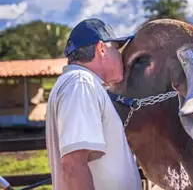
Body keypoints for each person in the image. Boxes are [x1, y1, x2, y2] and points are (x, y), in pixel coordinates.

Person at [45, 18, 142, 190]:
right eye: (117, 48)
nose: (121, 56)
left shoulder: (77, 84)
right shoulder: (81, 84)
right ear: (102, 49)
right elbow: (73, 165)